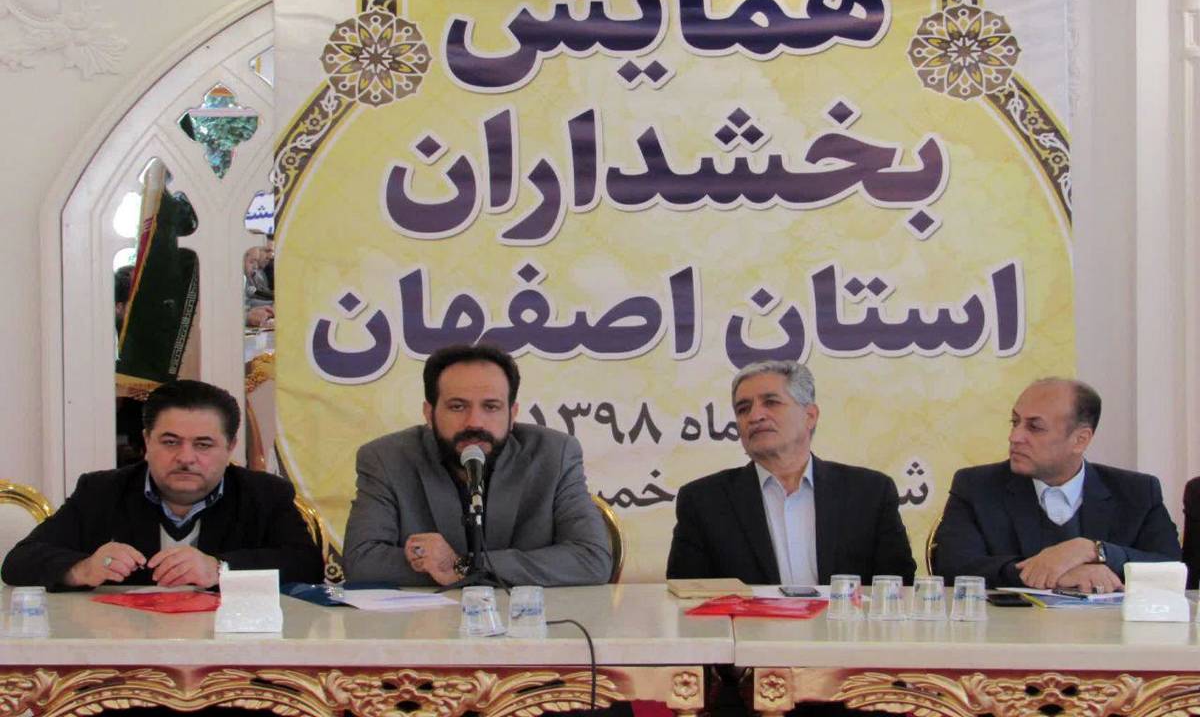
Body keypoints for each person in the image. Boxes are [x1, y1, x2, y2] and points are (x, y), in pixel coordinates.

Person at [2, 380, 323, 590]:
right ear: (146, 442)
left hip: (229, 651)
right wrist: (83, 569)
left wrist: (220, 569)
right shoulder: (101, 491)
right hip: (124, 652)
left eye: (203, 445)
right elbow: (19, 563)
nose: (186, 457)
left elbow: (306, 567)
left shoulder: (264, 494)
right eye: (170, 442)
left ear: (230, 447)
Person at [342, 344, 612, 587]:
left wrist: (463, 566)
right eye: (457, 407)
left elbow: (591, 558)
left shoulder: (555, 455)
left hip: (528, 620)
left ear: (512, 414)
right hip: (426, 622)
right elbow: (362, 562)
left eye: (491, 407)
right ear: (429, 413)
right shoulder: (386, 459)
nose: (474, 422)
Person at [666, 360, 916, 584]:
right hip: (748, 623)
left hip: (844, 622)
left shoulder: (870, 493)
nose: (755, 416)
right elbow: (687, 595)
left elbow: (899, 587)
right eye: (743, 408)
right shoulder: (704, 501)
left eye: (771, 402)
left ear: (810, 416)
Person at [933, 378, 1181, 592]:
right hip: (1009, 630)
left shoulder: (1137, 492)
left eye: (1034, 427)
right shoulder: (977, 487)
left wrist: (1093, 550)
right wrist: (1055, 574)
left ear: (1080, 440)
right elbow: (954, 567)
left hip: (1110, 631)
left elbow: (1173, 570)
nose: (1015, 437)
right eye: (1015, 422)